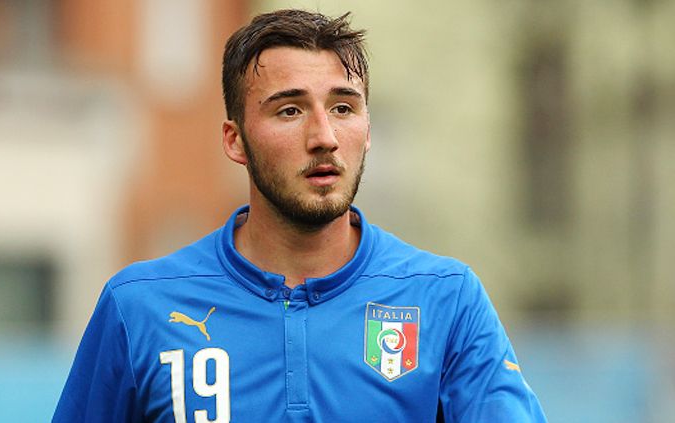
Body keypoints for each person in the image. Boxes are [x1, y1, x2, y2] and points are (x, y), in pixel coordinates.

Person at [53, 9, 547, 423]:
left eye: (344, 108)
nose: (324, 136)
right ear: (235, 140)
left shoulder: (445, 297)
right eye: (290, 111)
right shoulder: (139, 306)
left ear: (368, 129)